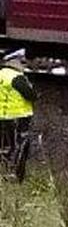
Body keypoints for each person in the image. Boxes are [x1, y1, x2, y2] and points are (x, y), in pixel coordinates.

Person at [0, 48, 36, 182]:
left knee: (5, 146)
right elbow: (31, 96)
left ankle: (3, 173)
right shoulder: (17, 78)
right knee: (20, 146)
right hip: (17, 117)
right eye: (22, 62)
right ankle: (14, 176)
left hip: (2, 116)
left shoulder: (1, 74)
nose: (23, 64)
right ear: (14, 62)